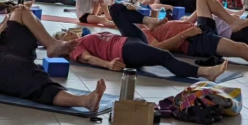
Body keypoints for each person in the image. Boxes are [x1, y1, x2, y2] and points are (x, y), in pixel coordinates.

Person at [110, 0, 248, 70]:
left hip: (198, 29)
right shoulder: (142, 35)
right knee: (241, 48)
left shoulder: (149, 24)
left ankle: (233, 22)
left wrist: (191, 19)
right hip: (194, 41)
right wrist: (185, 35)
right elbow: (159, 48)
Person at [62, 23, 229, 81]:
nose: (68, 32)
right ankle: (205, 72)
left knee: (122, 12)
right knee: (163, 56)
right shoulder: (75, 48)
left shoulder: (82, 38)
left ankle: (149, 20)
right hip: (124, 50)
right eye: (63, 34)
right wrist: (108, 64)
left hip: (128, 42)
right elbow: (88, 58)